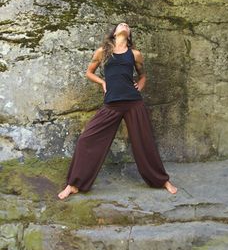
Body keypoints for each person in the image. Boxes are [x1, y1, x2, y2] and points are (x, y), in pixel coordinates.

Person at [58, 22, 177, 199]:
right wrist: (103, 82)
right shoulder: (102, 52)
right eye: (121, 25)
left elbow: (143, 75)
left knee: (145, 143)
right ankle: (74, 184)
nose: (124, 26)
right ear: (114, 33)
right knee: (85, 140)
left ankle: (162, 181)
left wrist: (140, 86)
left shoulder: (135, 54)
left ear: (128, 34)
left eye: (128, 26)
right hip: (111, 104)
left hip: (133, 104)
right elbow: (89, 72)